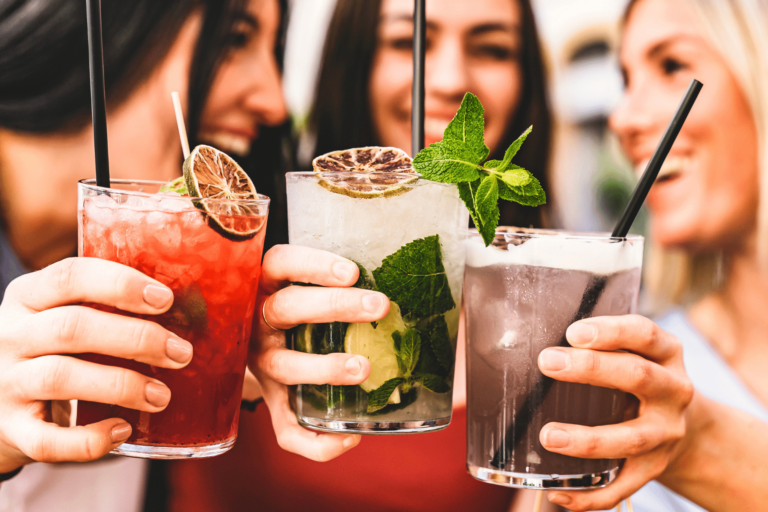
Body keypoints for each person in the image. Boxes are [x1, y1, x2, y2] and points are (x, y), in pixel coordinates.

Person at [165, 0, 556, 511]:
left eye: (493, 49)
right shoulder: (236, 252)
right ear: (354, 61)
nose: (450, 79)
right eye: (407, 42)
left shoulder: (552, 305)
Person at [0, 0, 390, 511]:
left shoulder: (154, 254)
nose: (275, 100)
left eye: (272, 49)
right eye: (235, 38)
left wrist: (232, 345)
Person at [526, 0, 768, 510]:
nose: (624, 117)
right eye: (626, 80)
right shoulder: (641, 374)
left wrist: (700, 446)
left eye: (672, 65)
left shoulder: (660, 404)